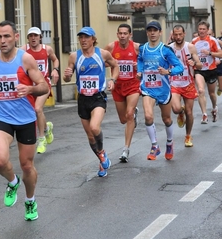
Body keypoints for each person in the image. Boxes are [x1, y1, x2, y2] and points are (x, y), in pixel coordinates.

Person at [0, 21, 48, 221]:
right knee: (0, 160)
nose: (3, 41)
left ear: (16, 37)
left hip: (26, 119)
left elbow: (44, 86)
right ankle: (12, 182)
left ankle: (30, 200)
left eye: (7, 36)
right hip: (2, 117)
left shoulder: (25, 59)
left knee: (26, 165)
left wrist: (30, 89)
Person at [63, 26, 119, 177]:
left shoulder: (103, 54)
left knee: (95, 127)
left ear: (93, 39)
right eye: (81, 37)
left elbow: (115, 66)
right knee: (90, 136)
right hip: (82, 99)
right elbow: (67, 77)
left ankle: (102, 153)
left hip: (98, 97)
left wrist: (113, 79)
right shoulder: (74, 57)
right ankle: (102, 160)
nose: (83, 40)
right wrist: (67, 75)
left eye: (86, 37)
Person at [136, 21, 184, 160]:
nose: (152, 33)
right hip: (148, 89)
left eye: (155, 30)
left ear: (160, 32)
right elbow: (140, 60)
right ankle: (155, 146)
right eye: (150, 30)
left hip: (163, 90)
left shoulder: (165, 50)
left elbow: (179, 67)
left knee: (167, 119)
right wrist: (139, 71)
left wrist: (168, 71)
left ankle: (169, 142)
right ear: (147, 32)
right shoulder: (143, 48)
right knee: (148, 116)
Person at [104, 23, 140, 162]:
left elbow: (146, 60)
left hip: (133, 85)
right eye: (120, 33)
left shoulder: (136, 47)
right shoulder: (111, 47)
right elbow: (102, 61)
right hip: (118, 86)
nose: (123, 36)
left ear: (130, 35)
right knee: (123, 119)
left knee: (129, 115)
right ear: (117, 34)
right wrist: (113, 63)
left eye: (125, 33)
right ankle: (133, 114)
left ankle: (126, 149)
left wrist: (139, 65)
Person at [20, 27, 59, 154]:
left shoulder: (46, 49)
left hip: (44, 85)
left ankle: (41, 138)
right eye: (30, 36)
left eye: (35, 36)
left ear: (40, 37)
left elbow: (55, 59)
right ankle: (47, 128)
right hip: (30, 87)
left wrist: (55, 70)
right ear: (28, 38)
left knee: (38, 109)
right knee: (35, 111)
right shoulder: (23, 50)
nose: (33, 38)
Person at [169, 25, 202, 147]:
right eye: (175, 35)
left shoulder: (190, 47)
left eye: (180, 34)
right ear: (172, 35)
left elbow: (200, 65)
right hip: (174, 83)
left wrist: (194, 63)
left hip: (188, 83)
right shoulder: (169, 48)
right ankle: (180, 112)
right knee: (176, 109)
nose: (178, 37)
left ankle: (188, 136)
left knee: (189, 112)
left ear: (184, 34)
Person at [191, 21, 222, 124]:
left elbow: (220, 54)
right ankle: (204, 114)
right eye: (200, 29)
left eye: (204, 29)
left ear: (207, 30)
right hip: (199, 70)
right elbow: (189, 54)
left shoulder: (212, 41)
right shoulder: (194, 41)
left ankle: (214, 108)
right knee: (200, 90)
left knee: (212, 93)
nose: (202, 31)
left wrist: (209, 53)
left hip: (211, 69)